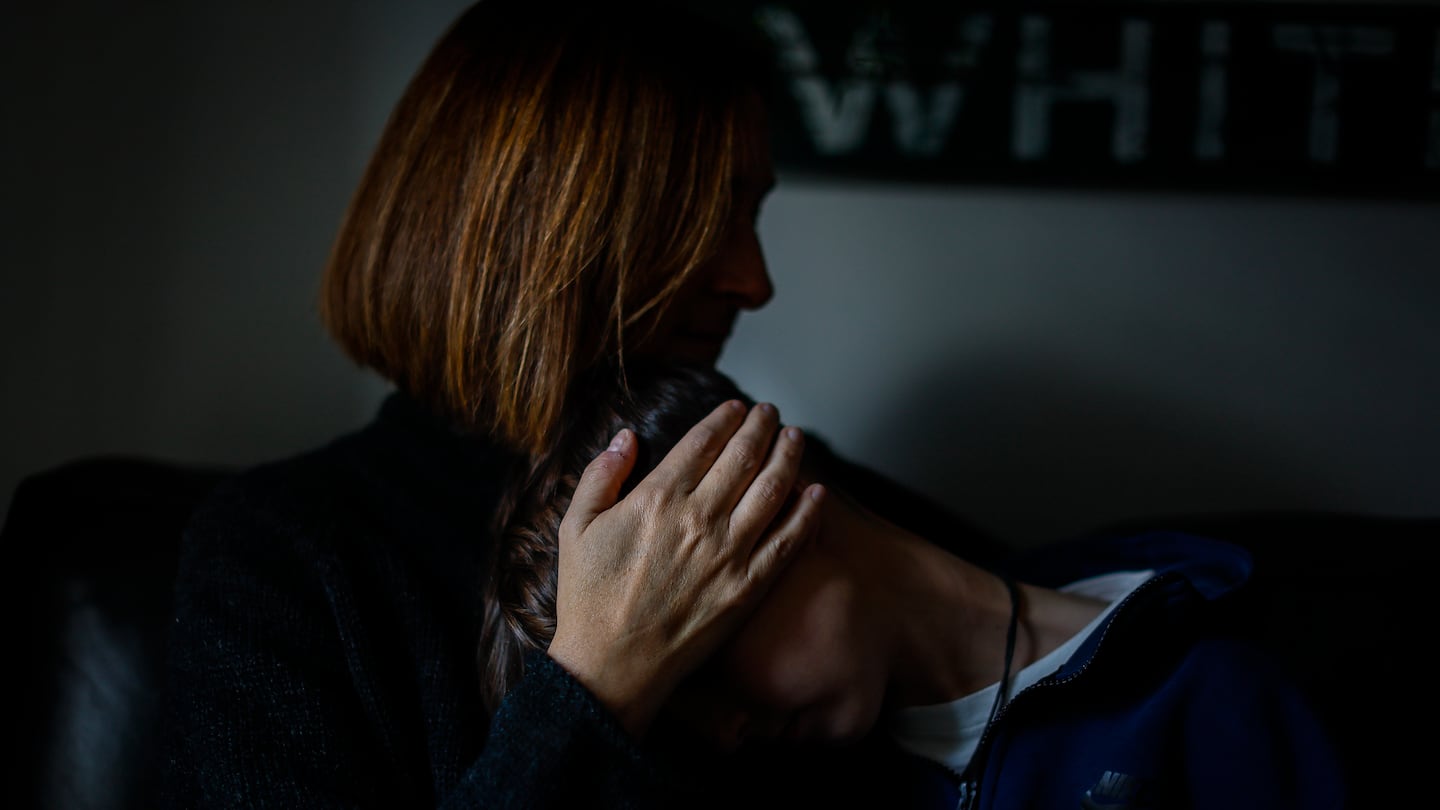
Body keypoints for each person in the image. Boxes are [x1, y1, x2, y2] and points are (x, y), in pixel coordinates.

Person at [158, 1, 992, 807]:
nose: (754, 281)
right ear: (543, 230)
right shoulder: (281, 563)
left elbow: (1017, 599)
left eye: (752, 212)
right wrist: (599, 684)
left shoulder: (710, 466)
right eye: (705, 217)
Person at [486, 360, 1350, 809]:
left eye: (702, 655)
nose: (726, 732)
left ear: (767, 510)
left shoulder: (1216, 696)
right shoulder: (791, 792)